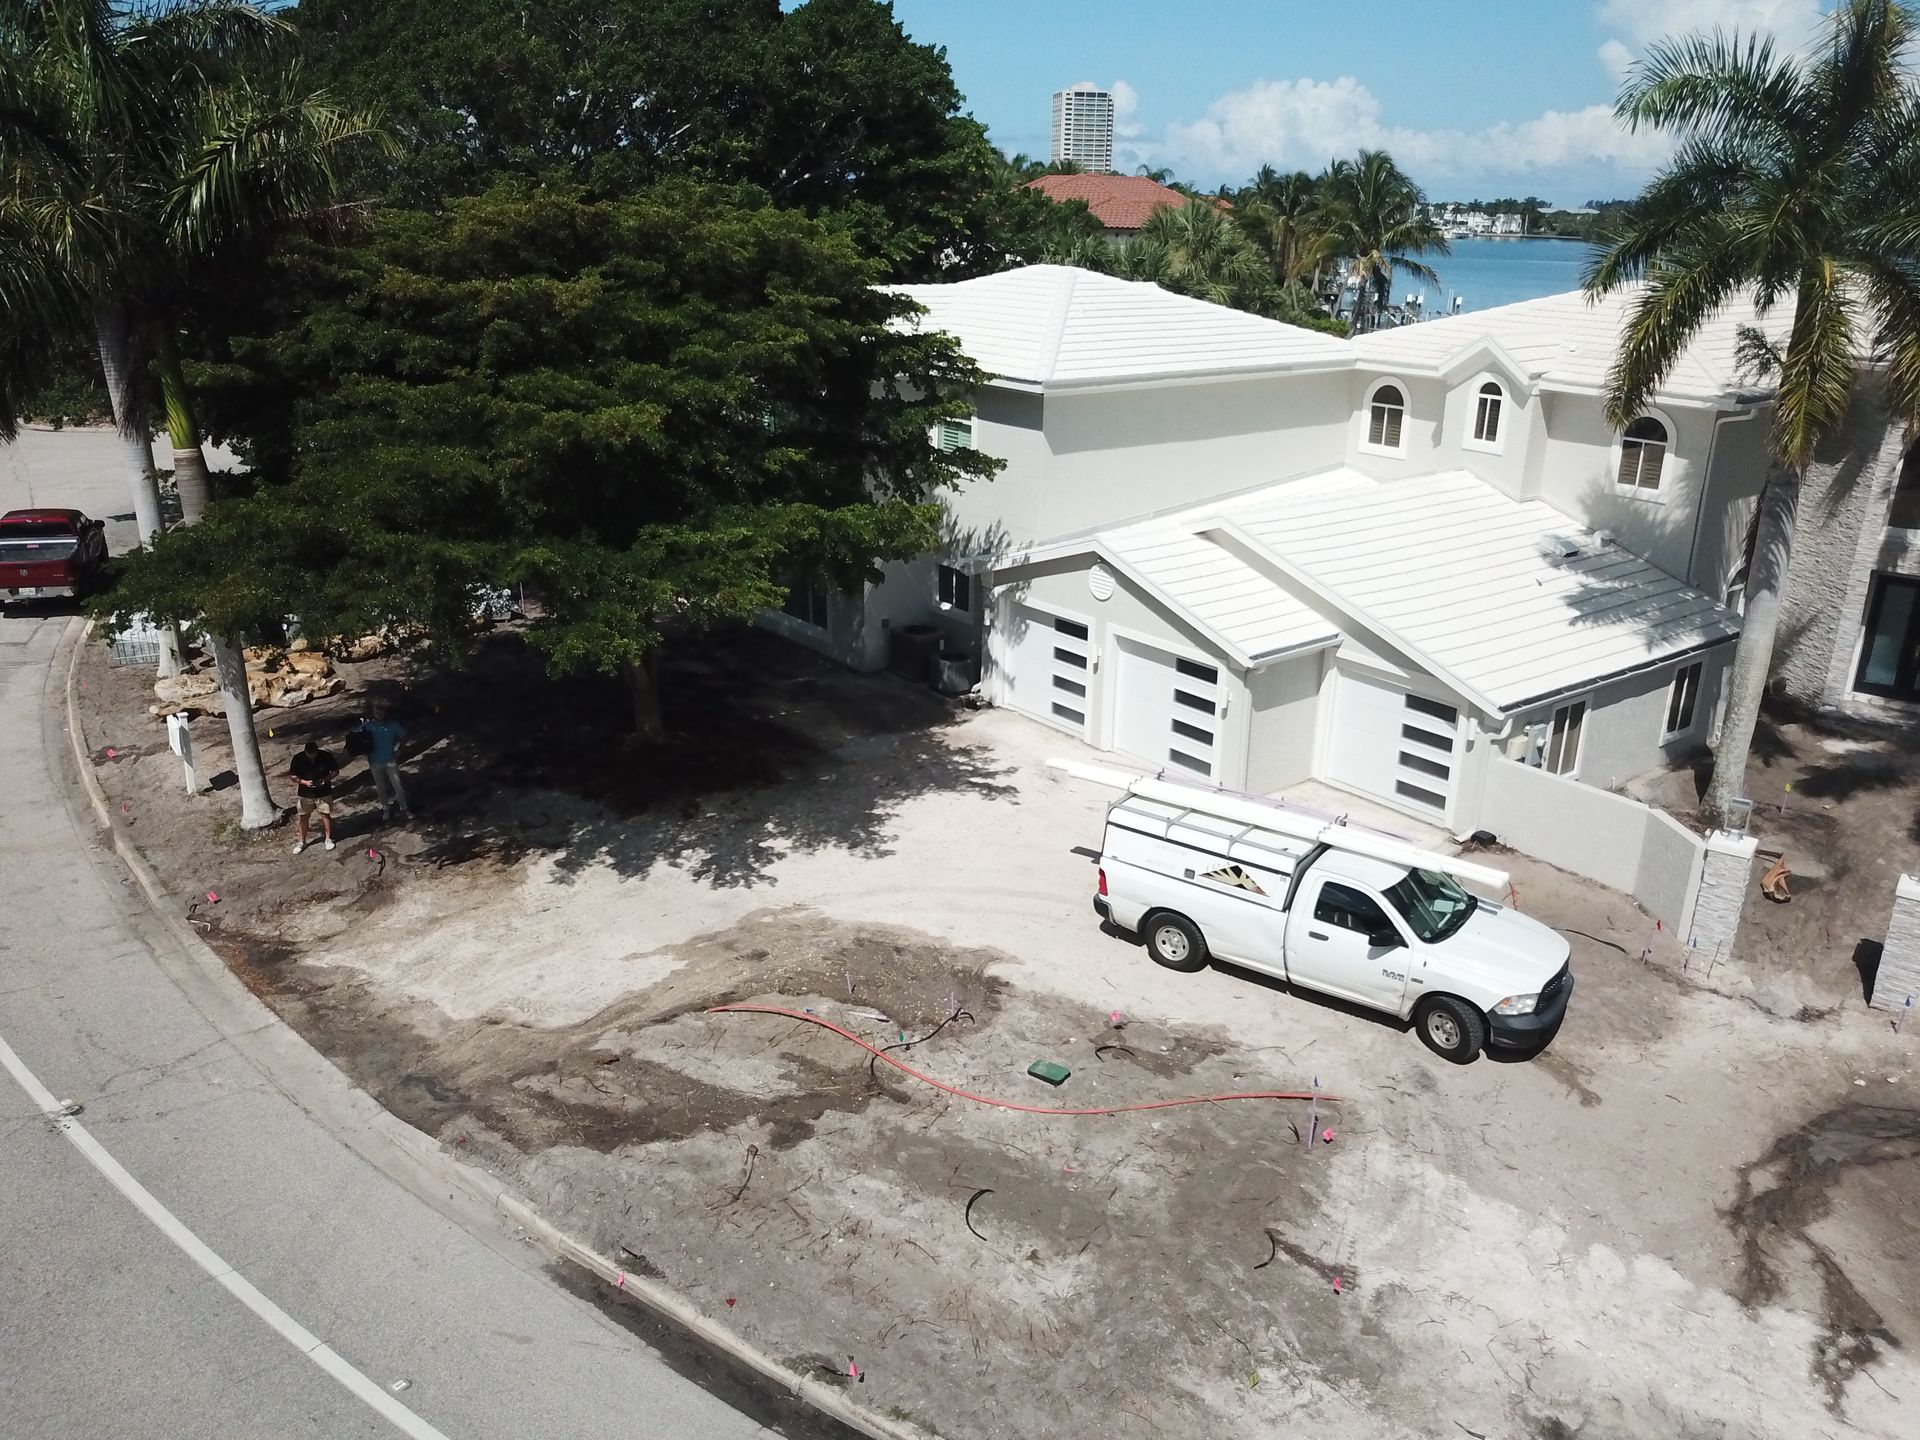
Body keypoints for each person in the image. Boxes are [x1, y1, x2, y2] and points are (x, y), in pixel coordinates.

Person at [357, 699, 413, 822]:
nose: (378, 714)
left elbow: (404, 735)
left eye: (381, 712)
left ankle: (404, 808)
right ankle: (385, 809)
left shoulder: (392, 725)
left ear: (385, 713)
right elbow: (356, 736)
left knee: (398, 786)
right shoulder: (369, 725)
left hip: (390, 760)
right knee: (380, 787)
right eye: (376, 712)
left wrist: (401, 750)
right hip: (375, 761)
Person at [289, 739, 339, 853]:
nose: (312, 758)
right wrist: (304, 782)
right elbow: (292, 776)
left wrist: (325, 780)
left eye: (314, 755)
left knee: (325, 815)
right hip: (305, 794)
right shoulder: (298, 759)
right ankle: (301, 841)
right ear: (305, 752)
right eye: (309, 755)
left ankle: (328, 839)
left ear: (317, 751)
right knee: (303, 817)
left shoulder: (326, 756)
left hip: (324, 792)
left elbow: (335, 771)